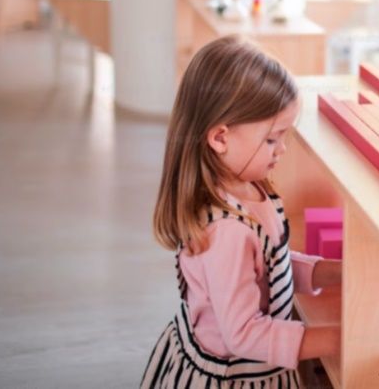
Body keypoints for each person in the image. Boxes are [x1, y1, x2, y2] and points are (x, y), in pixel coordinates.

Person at [142, 35, 341, 387]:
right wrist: (341, 339)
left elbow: (268, 270)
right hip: (234, 376)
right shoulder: (227, 231)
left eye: (284, 137)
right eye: (271, 139)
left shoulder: (249, 185)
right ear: (220, 138)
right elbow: (245, 334)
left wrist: (332, 273)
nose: (281, 150)